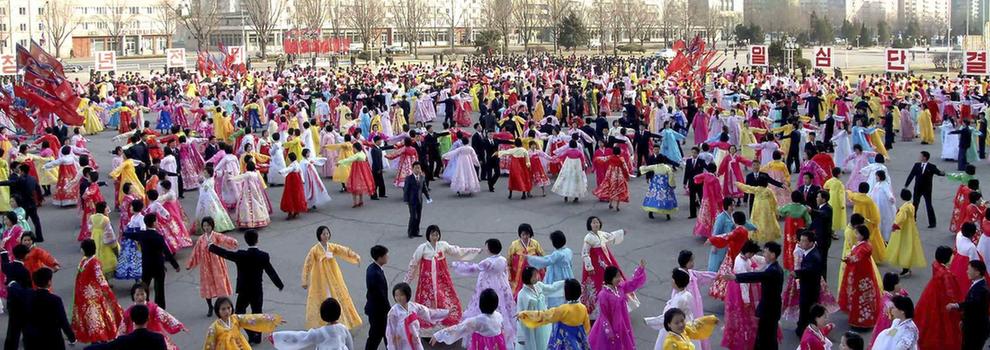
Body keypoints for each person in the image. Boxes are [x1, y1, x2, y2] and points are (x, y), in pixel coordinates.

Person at [209, 229, 285, 344]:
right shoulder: (263, 256)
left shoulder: (241, 255)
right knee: (257, 313)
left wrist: (211, 247)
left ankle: (250, 333)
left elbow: (226, 254)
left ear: (245, 240)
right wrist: (279, 284)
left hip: (244, 290)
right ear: (257, 240)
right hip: (257, 290)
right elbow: (271, 271)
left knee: (239, 314)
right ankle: (258, 337)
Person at [404, 225, 481, 332]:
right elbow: (413, 263)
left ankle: (445, 321)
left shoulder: (443, 245)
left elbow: (457, 251)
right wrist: (406, 281)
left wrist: (474, 251)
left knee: (445, 298)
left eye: (436, 234)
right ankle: (429, 324)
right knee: (428, 302)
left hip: (442, 279)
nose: (435, 237)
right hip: (427, 281)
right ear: (428, 235)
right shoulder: (422, 248)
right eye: (432, 234)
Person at [453, 238, 517, 346]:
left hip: (488, 285)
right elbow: (505, 272)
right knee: (502, 307)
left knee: (483, 305)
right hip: (501, 285)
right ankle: (502, 334)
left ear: (490, 248)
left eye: (486, 246)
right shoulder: (502, 259)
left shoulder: (487, 262)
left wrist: (457, 265)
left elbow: (473, 268)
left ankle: (484, 332)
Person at [724, 241, 784, 350]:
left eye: (765, 252)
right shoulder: (774, 267)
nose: (763, 255)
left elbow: (756, 276)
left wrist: (736, 277)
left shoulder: (773, 271)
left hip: (769, 310)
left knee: (767, 337)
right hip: (770, 308)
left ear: (773, 255)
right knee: (766, 336)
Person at [301, 226, 362, 329]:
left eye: (327, 233)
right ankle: (324, 319)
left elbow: (344, 250)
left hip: (333, 276)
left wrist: (355, 256)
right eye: (324, 234)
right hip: (321, 278)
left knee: (336, 295)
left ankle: (339, 318)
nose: (326, 236)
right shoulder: (315, 250)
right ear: (319, 236)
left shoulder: (332, 247)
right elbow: (308, 264)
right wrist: (305, 280)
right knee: (324, 297)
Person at [70, 239, 124, 343]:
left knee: (94, 317)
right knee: (88, 316)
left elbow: (100, 279)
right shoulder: (84, 260)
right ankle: (94, 337)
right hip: (85, 294)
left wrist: (106, 291)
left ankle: (99, 338)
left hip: (93, 295)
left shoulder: (94, 263)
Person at [122, 214, 180, 308]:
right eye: (156, 221)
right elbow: (167, 252)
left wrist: (124, 234)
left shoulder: (142, 235)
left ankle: (145, 305)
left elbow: (131, 235)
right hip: (158, 266)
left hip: (146, 265)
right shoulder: (158, 237)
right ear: (153, 223)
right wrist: (175, 265)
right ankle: (159, 309)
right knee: (159, 290)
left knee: (145, 287)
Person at [516, 279, 592, 349]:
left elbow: (544, 316)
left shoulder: (563, 309)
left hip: (564, 344)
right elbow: (587, 328)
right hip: (579, 343)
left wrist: (525, 314)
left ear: (566, 293)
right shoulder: (583, 308)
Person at [588, 260, 647, 349]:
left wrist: (640, 270)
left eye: (619, 276)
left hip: (622, 321)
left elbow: (632, 283)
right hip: (611, 325)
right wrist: (609, 332)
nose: (619, 279)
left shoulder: (620, 287)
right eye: (617, 277)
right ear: (609, 278)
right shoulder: (603, 295)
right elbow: (604, 316)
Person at [186, 217, 238, 316]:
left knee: (220, 284)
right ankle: (210, 306)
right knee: (207, 286)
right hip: (206, 266)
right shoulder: (201, 239)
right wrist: (190, 264)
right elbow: (196, 252)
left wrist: (233, 241)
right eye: (204, 226)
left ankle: (225, 306)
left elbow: (225, 239)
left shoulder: (216, 236)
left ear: (212, 226)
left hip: (217, 263)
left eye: (208, 225)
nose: (206, 228)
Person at [916, 246, 964, 349]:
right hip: (943, 300)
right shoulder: (946, 275)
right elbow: (950, 294)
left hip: (932, 294)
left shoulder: (936, 265)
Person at [580, 216, 628, 317]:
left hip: (606, 261)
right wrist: (589, 267)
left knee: (612, 280)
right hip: (595, 265)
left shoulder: (601, 234)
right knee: (597, 284)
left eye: (597, 222)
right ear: (589, 225)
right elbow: (585, 253)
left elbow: (611, 236)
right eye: (593, 223)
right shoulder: (588, 238)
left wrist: (621, 232)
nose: (596, 224)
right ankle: (596, 310)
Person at [430, 288, 507, 349]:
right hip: (497, 344)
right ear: (496, 304)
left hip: (483, 345)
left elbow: (459, 328)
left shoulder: (477, 321)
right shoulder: (499, 316)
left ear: (481, 305)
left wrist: (439, 335)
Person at [839, 225, 882, 329]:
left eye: (857, 233)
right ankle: (860, 318)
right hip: (860, 275)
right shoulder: (862, 245)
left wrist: (848, 259)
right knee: (859, 297)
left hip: (862, 277)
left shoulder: (865, 247)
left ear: (863, 235)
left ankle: (862, 321)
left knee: (861, 298)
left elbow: (857, 258)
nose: (856, 235)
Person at [23, 268, 76, 349]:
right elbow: (63, 321)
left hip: (32, 339)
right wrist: (71, 336)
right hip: (52, 339)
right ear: (49, 282)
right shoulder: (55, 299)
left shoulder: (28, 296)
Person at [203, 296, 284, 349]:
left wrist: (272, 319)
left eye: (228, 308)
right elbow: (209, 345)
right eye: (223, 309)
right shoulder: (213, 328)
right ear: (218, 311)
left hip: (239, 345)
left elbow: (253, 318)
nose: (227, 311)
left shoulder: (235, 318)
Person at [271, 298, 354, 349]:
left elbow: (299, 338)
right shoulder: (343, 328)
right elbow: (350, 345)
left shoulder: (320, 333)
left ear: (322, 315)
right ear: (338, 313)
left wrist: (276, 338)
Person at [516, 266, 565, 350]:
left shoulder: (538, 286)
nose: (537, 277)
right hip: (532, 326)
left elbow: (552, 288)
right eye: (534, 275)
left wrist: (565, 283)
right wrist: (521, 336)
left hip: (543, 323)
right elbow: (520, 316)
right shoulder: (522, 294)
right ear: (529, 278)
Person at [947, 260, 990, 349]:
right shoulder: (979, 284)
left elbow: (971, 305)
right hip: (974, 326)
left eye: (969, 269)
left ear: (977, 272)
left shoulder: (980, 289)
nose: (967, 271)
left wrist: (955, 305)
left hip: (976, 329)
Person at [84, 304, 168, 350]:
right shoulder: (158, 338)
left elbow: (105, 347)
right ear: (148, 319)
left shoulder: (124, 340)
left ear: (132, 319)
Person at [525, 230, 574, 307]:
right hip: (567, 274)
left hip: (557, 275)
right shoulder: (568, 251)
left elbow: (546, 261)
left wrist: (530, 258)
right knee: (565, 291)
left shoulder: (557, 254)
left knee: (555, 292)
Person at [886, 189, 927, 277]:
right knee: (908, 246)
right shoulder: (911, 205)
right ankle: (907, 267)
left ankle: (905, 269)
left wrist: (895, 225)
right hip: (910, 228)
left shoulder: (904, 208)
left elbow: (901, 219)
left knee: (903, 247)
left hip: (904, 230)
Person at [0, 163, 44, 242]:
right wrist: (40, 198)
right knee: (36, 221)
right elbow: (38, 190)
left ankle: (21, 238)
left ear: (22, 171)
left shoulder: (20, 179)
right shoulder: (33, 178)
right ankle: (39, 237)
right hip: (32, 203)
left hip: (24, 205)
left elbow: (9, 183)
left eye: (19, 170)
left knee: (21, 222)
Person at [903, 151, 945, 228]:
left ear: (924, 157)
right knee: (915, 204)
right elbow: (911, 175)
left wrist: (944, 173)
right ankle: (913, 220)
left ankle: (932, 223)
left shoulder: (931, 166)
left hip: (927, 189)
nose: (919, 157)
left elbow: (938, 172)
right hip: (917, 188)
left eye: (921, 156)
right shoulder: (916, 165)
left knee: (929, 205)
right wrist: (906, 185)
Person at [847, 183, 887, 262]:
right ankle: (872, 257)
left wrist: (848, 191)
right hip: (866, 222)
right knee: (870, 239)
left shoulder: (855, 196)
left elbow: (849, 194)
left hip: (856, 220)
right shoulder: (869, 201)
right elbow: (874, 214)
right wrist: (875, 222)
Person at [508, 223, 545, 296]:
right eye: (523, 234)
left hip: (533, 268)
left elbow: (541, 254)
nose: (525, 237)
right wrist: (509, 267)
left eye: (527, 234)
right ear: (520, 235)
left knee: (534, 281)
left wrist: (544, 265)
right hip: (520, 270)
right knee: (519, 284)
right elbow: (510, 256)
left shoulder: (535, 243)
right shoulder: (514, 244)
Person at [593, 146, 631, 210]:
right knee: (619, 188)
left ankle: (610, 203)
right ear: (619, 151)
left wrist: (596, 158)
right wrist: (627, 175)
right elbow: (625, 168)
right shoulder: (621, 159)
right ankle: (617, 206)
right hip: (619, 175)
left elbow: (603, 159)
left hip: (611, 174)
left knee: (611, 187)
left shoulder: (610, 157)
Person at [403, 162, 429, 238]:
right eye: (416, 168)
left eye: (419, 168)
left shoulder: (422, 177)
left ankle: (416, 231)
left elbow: (424, 188)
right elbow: (406, 190)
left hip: (419, 200)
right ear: (412, 169)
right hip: (412, 201)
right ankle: (410, 232)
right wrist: (406, 200)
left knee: (419, 217)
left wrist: (428, 197)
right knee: (413, 217)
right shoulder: (409, 178)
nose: (418, 169)